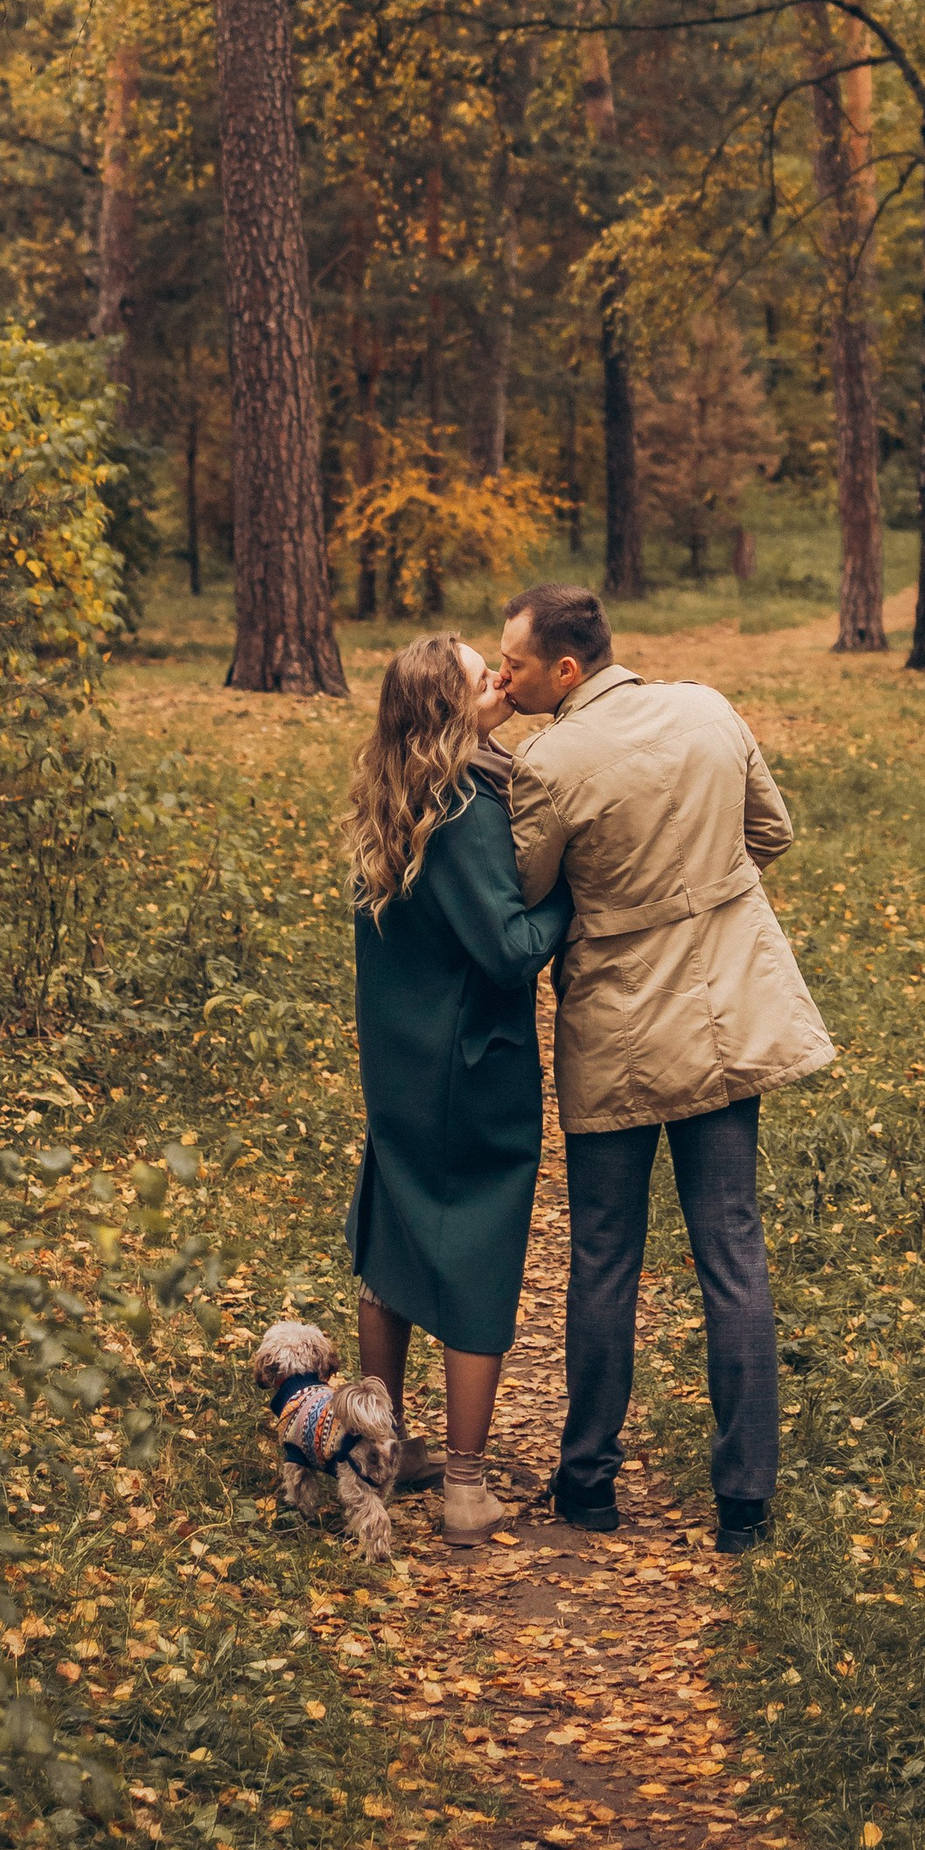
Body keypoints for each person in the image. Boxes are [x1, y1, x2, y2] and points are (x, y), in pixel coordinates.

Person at [499, 581, 832, 1555]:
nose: (503, 673)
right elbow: (769, 831)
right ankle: (744, 1502)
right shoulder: (707, 708)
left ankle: (588, 1482)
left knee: (604, 1250)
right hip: (728, 1007)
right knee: (730, 1241)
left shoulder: (547, 760)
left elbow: (527, 889)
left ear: (564, 666)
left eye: (513, 659)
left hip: (617, 1025)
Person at [344, 631, 573, 1545]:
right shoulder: (465, 805)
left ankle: (380, 1452)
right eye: (487, 678)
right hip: (470, 1069)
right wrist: (575, 895)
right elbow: (509, 950)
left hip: (399, 1063)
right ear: (453, 710)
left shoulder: (390, 795)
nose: (504, 681)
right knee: (478, 1251)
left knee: (394, 1243)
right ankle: (467, 1486)